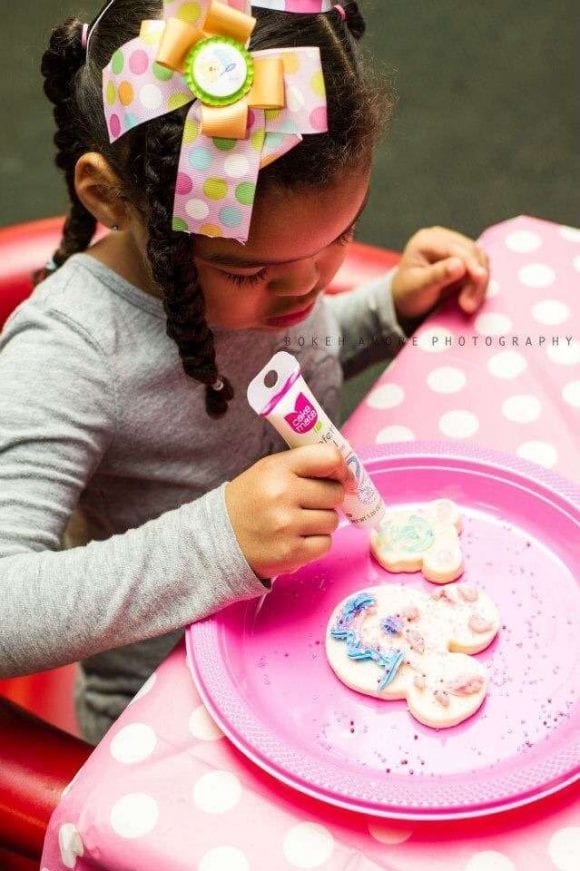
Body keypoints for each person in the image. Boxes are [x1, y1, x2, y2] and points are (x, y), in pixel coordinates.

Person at [0, 0, 489, 745]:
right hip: (169, 713)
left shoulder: (277, 275)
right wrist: (219, 541)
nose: (306, 290)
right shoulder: (70, 352)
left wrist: (386, 309)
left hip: (318, 640)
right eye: (252, 269)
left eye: (341, 236)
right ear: (106, 196)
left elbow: (276, 376)